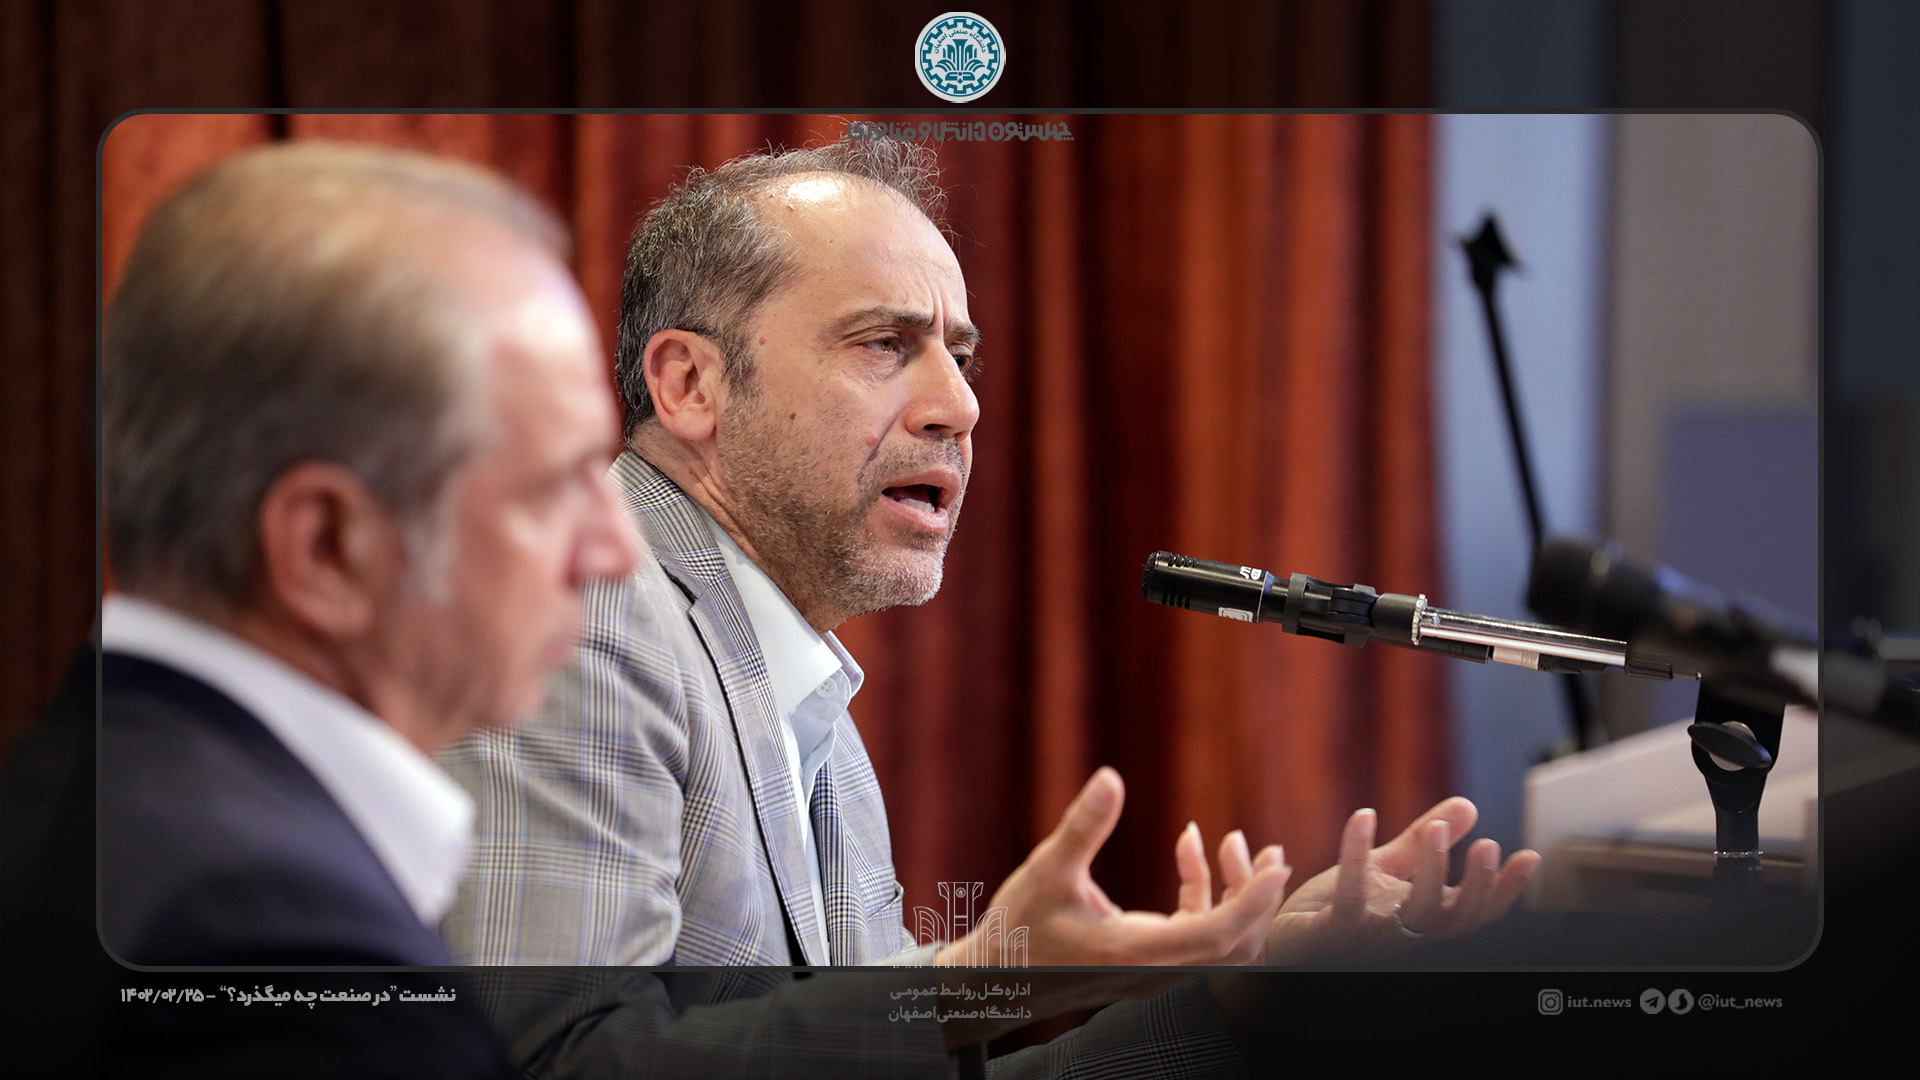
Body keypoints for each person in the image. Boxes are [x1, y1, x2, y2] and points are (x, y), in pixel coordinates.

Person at [439, 139, 1537, 1075]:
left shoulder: (803, 694)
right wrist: (966, 985)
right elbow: (563, 1062)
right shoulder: (590, 616)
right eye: (885, 344)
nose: (960, 405)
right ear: (690, 385)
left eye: (960, 356)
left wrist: (1238, 1004)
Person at [0, 141, 640, 1077]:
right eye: (558, 486)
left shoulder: (68, 803)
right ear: (328, 549)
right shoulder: (294, 968)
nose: (618, 551)